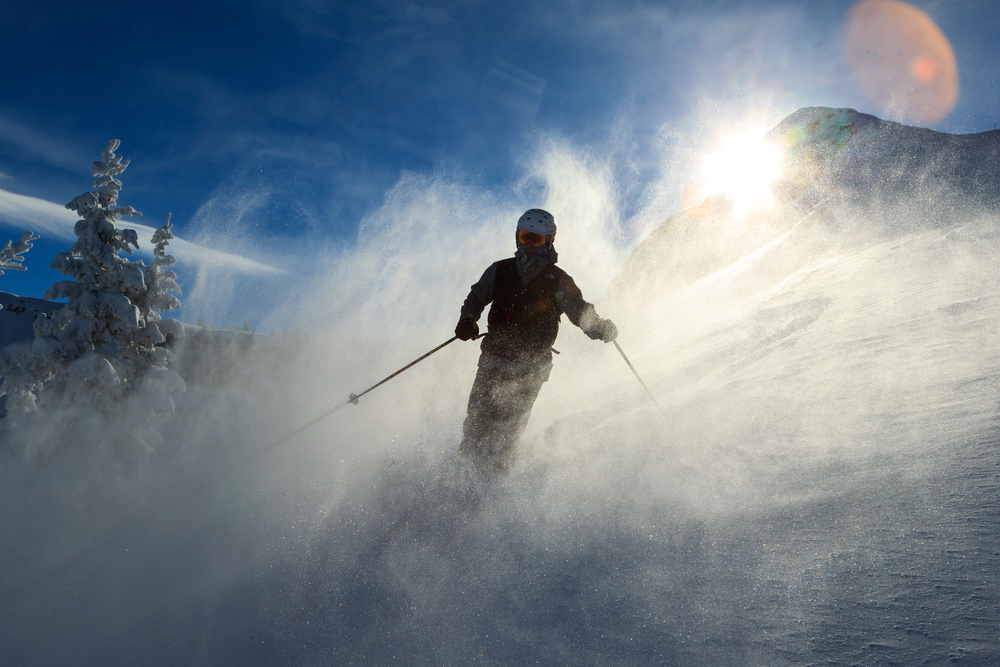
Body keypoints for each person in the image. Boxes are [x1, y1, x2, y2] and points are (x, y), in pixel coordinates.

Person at [454, 208, 618, 470]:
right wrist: (467, 320)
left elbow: (578, 309)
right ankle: (463, 469)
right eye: (525, 237)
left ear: (549, 241)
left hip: (531, 365)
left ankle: (496, 477)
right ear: (517, 237)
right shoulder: (500, 270)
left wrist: (598, 327)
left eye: (537, 239)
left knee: (509, 426)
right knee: (478, 418)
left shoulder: (558, 280)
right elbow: (476, 298)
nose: (529, 245)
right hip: (495, 356)